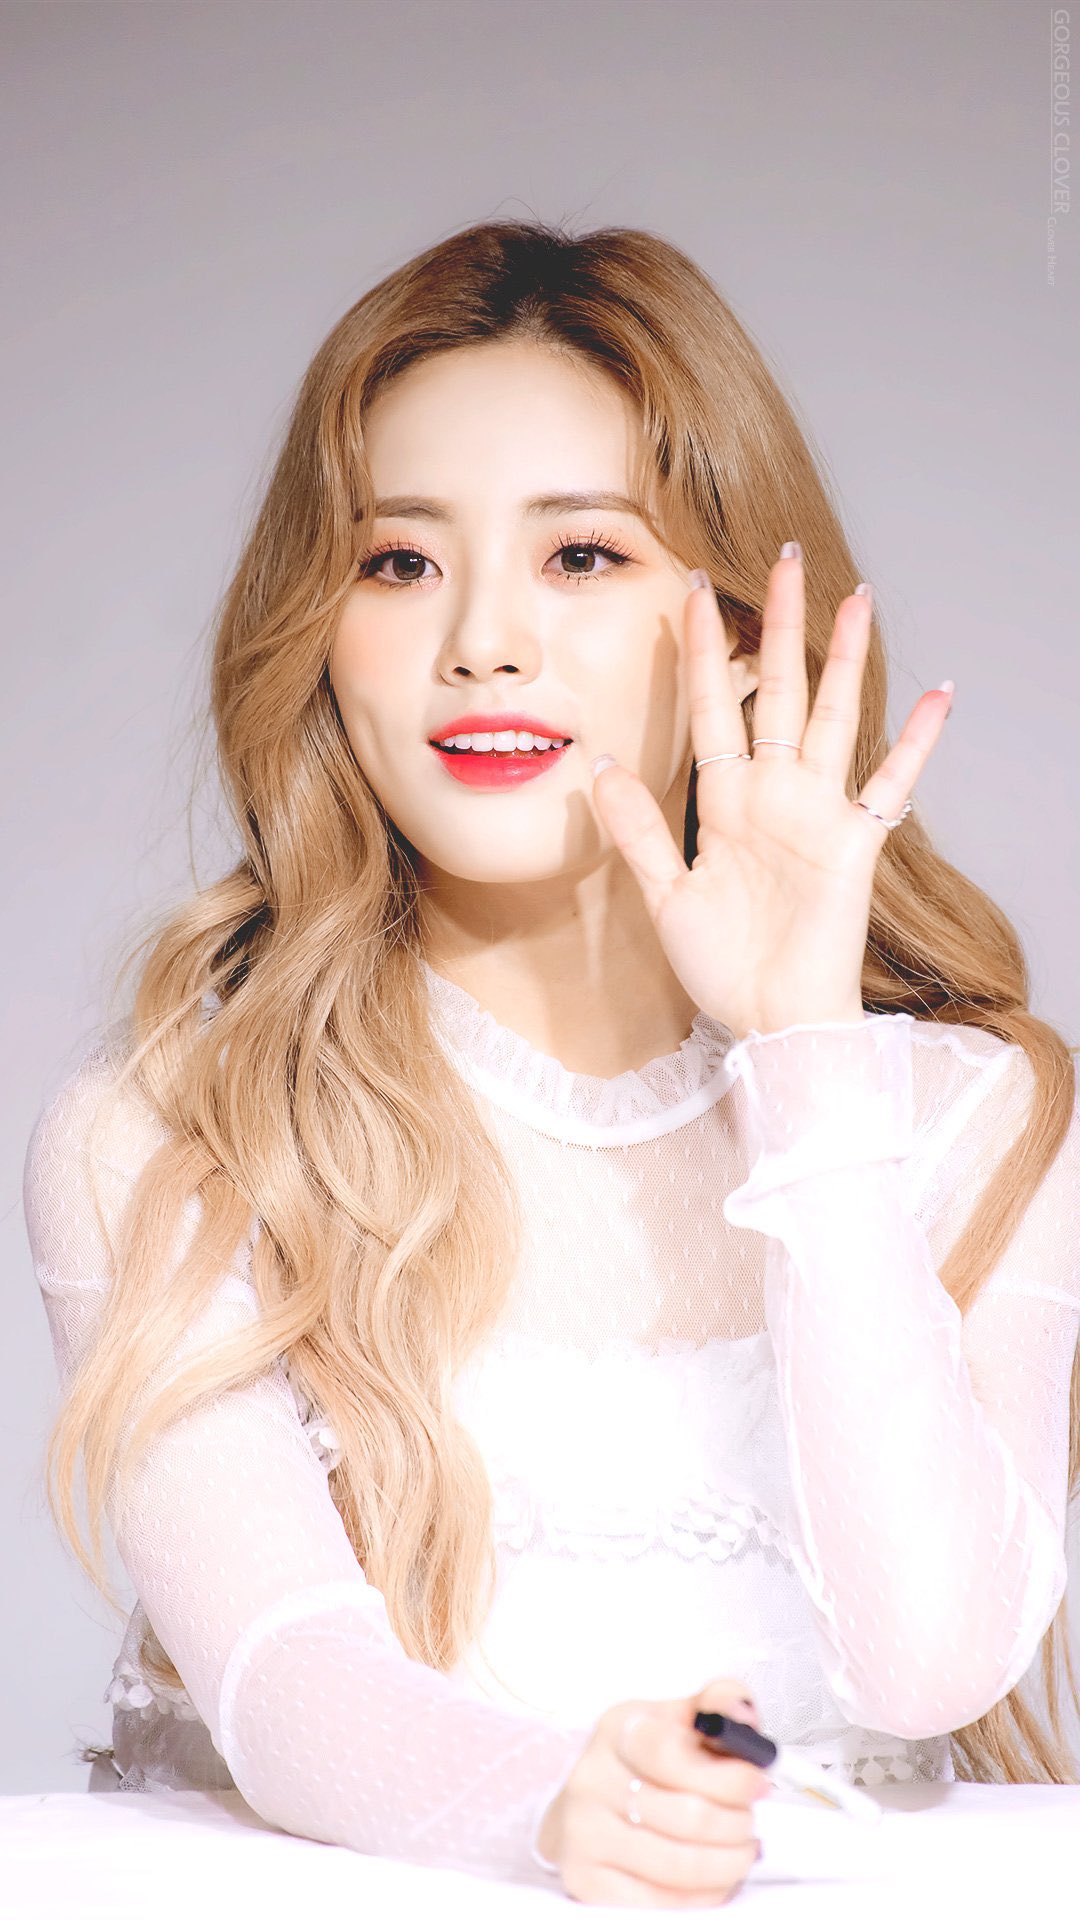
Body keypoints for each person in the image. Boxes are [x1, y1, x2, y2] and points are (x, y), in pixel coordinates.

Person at [23, 217, 1080, 1905]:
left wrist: (805, 1049)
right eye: (398, 562)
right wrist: (557, 1802)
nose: (482, 642)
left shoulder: (979, 1115)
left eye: (581, 554)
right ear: (318, 629)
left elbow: (931, 1663)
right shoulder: (174, 1134)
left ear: (738, 628)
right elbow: (287, 1682)